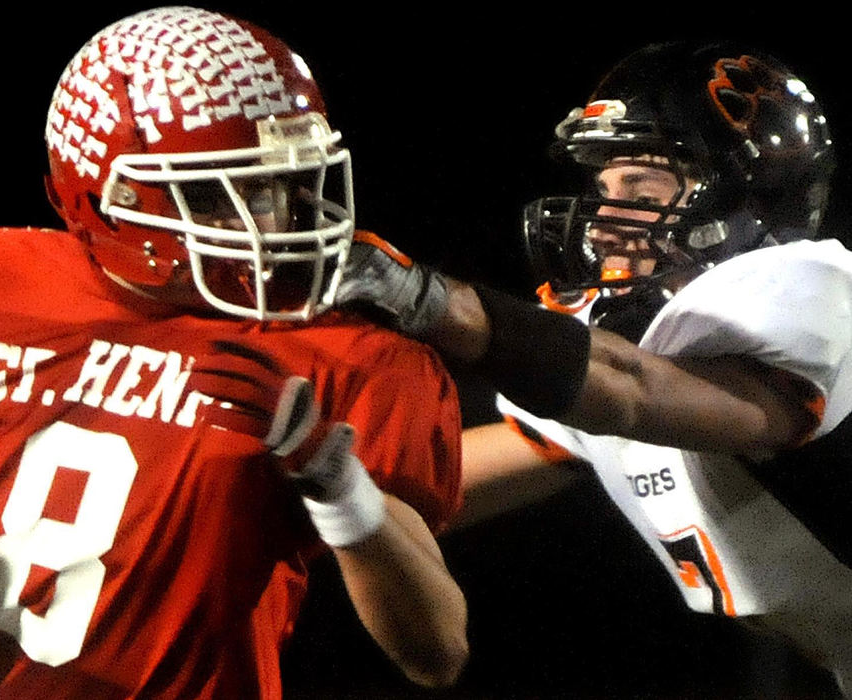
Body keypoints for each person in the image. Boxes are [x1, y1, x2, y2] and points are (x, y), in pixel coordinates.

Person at [0, 7, 470, 698]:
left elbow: (436, 652)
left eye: (275, 185)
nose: (263, 221)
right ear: (91, 193)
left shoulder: (346, 352)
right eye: (210, 195)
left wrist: (337, 484)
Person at [335, 41, 851, 695]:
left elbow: (634, 392)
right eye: (602, 189)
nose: (603, 224)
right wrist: (315, 474)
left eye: (638, 189)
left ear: (742, 195)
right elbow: (437, 483)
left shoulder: (811, 289)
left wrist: (429, 302)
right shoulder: (618, 348)